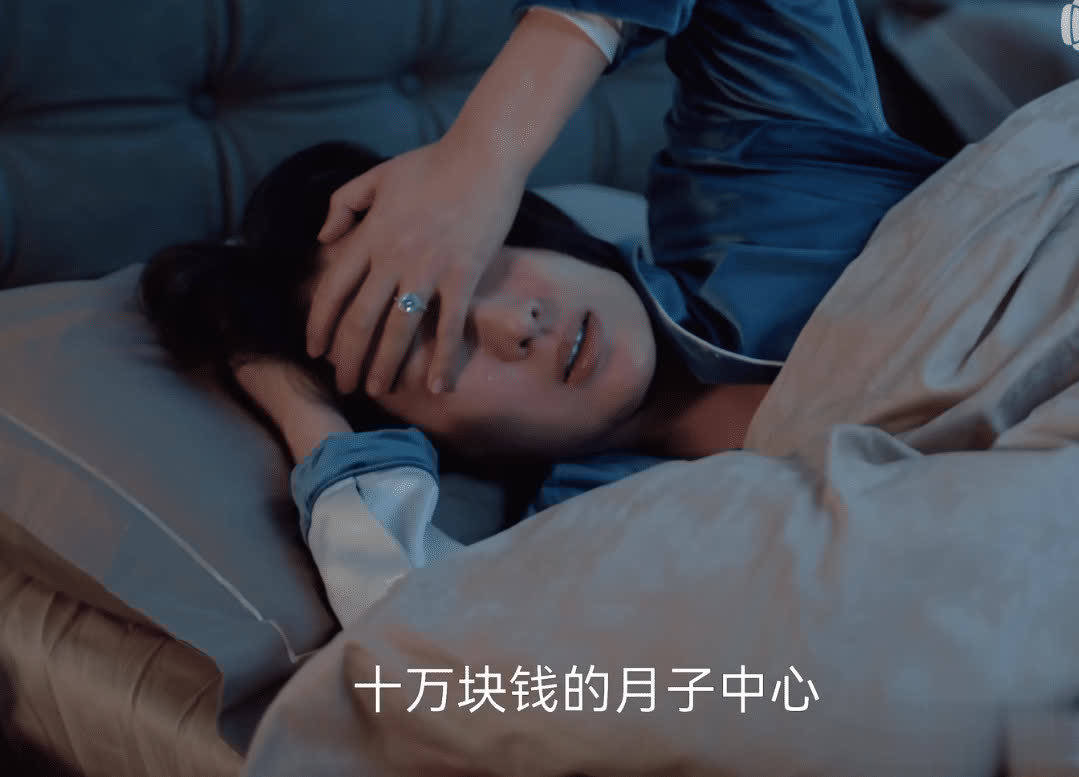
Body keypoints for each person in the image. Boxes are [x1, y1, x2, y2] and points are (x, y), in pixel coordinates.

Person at [141, 0, 947, 622]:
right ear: (437, 443)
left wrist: (483, 152)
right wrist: (302, 407)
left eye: (470, 259)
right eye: (427, 339)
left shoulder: (762, 184)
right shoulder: (584, 534)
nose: (510, 324)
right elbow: (431, 656)